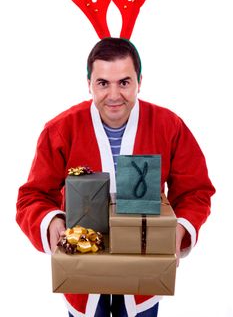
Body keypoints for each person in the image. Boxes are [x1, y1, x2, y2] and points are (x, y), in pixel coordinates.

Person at [16, 37, 215, 317]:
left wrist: (179, 230)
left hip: (146, 263)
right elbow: (32, 196)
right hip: (82, 267)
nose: (113, 95)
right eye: (103, 83)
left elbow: (195, 190)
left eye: (124, 82)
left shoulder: (170, 126)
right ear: (89, 84)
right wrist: (50, 220)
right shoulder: (60, 129)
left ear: (139, 81)